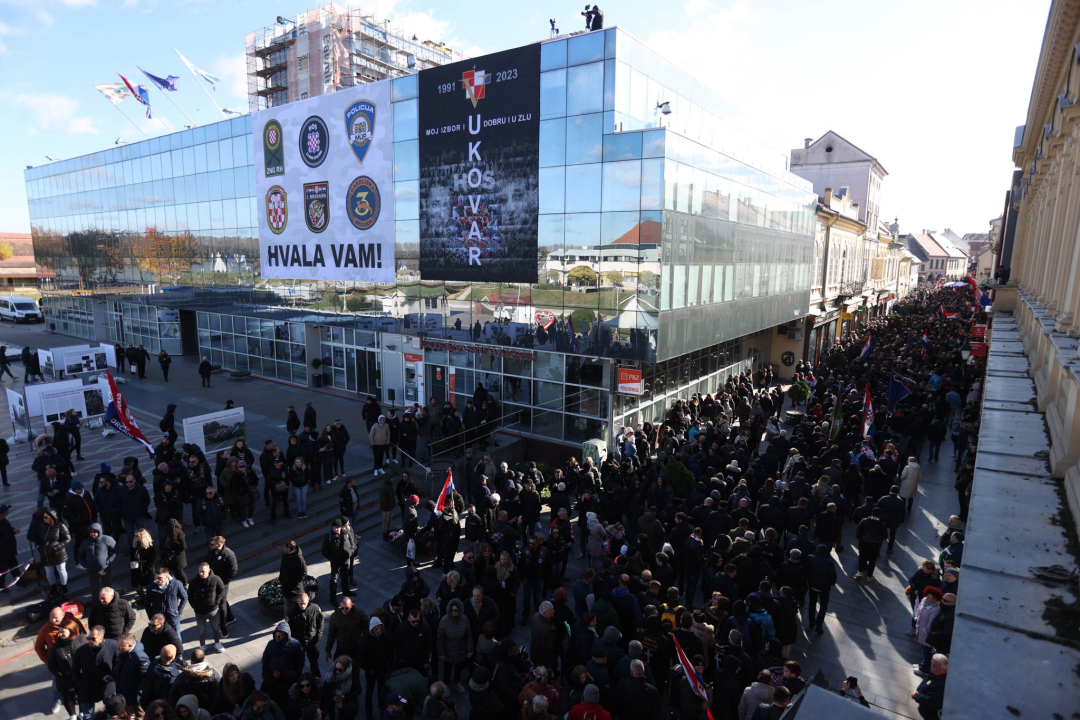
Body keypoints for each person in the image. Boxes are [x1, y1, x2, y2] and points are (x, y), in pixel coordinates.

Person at [188, 562, 226, 653]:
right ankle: (202, 645)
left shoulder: (216, 579)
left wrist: (216, 603)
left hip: (212, 611)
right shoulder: (194, 581)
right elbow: (190, 595)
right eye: (200, 571)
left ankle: (217, 643)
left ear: (208, 571)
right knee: (201, 630)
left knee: (215, 627)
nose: (201, 573)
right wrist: (195, 607)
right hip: (200, 612)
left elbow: (222, 590)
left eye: (203, 572)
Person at [36, 509, 71, 597]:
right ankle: (53, 588)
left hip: (58, 553)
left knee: (61, 570)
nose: (44, 519)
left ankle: (64, 587)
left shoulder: (60, 526)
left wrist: (58, 547)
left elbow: (67, 538)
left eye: (46, 517)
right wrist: (38, 546)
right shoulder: (42, 527)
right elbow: (38, 538)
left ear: (52, 518)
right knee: (49, 572)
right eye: (43, 517)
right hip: (46, 553)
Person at [146, 566, 188, 638]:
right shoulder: (151, 587)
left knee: (176, 636)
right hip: (159, 619)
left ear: (166, 576)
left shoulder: (176, 584)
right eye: (156, 578)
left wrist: (179, 611)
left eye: (159, 578)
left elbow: (184, 597)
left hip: (173, 617)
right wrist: (151, 616)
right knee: (161, 637)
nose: (157, 580)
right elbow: (147, 603)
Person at [322, 518, 356, 606]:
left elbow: (353, 544)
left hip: (345, 561)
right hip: (335, 563)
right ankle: (333, 598)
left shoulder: (346, 533)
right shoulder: (329, 536)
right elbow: (324, 551)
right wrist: (332, 559)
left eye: (337, 527)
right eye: (334, 527)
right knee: (334, 580)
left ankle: (346, 591)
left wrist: (350, 552)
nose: (336, 529)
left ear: (341, 527)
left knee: (345, 577)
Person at [289, 592, 325, 676]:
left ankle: (316, 677)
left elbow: (321, 621)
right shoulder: (292, 612)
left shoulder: (315, 608)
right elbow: (291, 629)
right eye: (300, 604)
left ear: (308, 600)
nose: (302, 606)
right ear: (297, 602)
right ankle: (297, 678)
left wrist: (318, 636)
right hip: (299, 641)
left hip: (312, 640)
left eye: (304, 603)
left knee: (314, 661)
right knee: (298, 662)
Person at [854, 508, 888, 582]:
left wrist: (861, 538)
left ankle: (860, 572)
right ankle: (869, 576)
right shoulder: (882, 525)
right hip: (875, 545)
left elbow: (858, 531)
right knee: (872, 560)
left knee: (862, 557)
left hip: (864, 542)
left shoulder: (864, 521)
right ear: (880, 516)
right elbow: (885, 537)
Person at [911, 654, 947, 720]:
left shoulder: (941, 685)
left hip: (931, 715)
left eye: (934, 665)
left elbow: (929, 700)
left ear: (944, 669)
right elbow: (925, 681)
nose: (931, 666)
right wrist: (919, 689)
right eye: (932, 663)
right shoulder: (935, 672)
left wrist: (916, 695)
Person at [280, 540, 307, 619]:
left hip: (296, 590)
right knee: (287, 608)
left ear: (289, 549)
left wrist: (296, 583)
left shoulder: (299, 559)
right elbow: (282, 568)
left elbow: (304, 573)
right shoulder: (285, 555)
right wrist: (281, 579)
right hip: (286, 587)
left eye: (285, 548)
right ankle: (287, 624)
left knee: (295, 608)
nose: (284, 549)